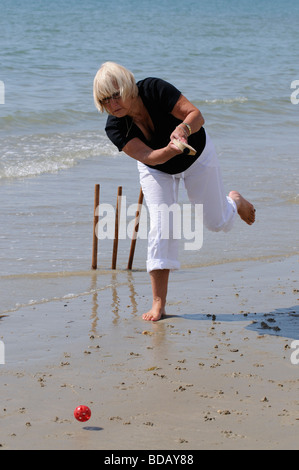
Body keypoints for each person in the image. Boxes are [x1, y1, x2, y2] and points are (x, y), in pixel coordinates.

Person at [93, 62, 256, 322]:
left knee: (217, 223)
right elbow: (149, 156)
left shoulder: (154, 89)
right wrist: (171, 149)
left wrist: (183, 129)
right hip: (156, 167)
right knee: (162, 224)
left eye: (115, 95)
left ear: (128, 86)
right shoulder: (114, 127)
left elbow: (197, 116)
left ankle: (233, 202)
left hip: (197, 157)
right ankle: (159, 303)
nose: (112, 104)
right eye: (105, 100)